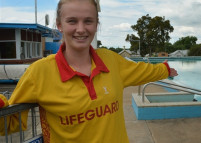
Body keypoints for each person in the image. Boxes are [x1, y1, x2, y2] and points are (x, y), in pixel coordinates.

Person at [0, 0, 178, 142]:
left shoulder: (111, 61)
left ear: (96, 24)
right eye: (72, 21)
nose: (81, 29)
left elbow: (143, 71)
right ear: (59, 25)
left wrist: (165, 69)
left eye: (88, 21)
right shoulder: (39, 73)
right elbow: (12, 122)